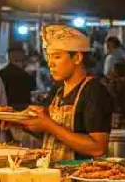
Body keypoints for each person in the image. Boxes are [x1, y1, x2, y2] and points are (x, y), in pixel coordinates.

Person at [13, 24, 113, 161]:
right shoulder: (58, 90)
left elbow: (98, 148)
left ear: (77, 58)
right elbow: (47, 133)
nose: (50, 63)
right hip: (53, 170)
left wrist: (49, 125)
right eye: (49, 57)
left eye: (57, 57)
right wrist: (16, 120)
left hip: (80, 172)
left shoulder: (94, 91)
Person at [0, 42, 36, 110]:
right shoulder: (25, 75)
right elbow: (33, 88)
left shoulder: (1, 74)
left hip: (5, 110)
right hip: (23, 111)